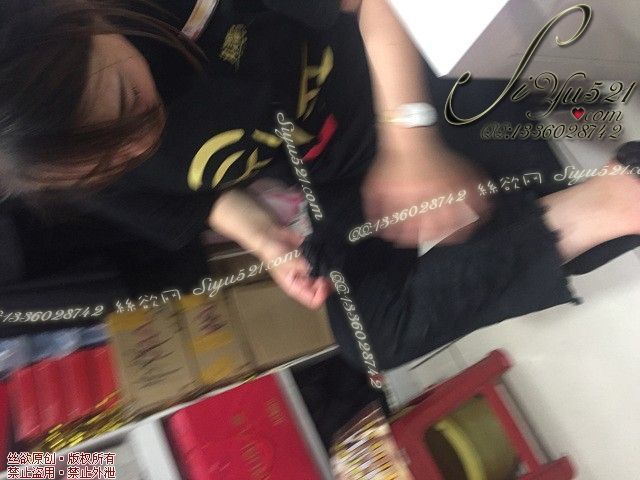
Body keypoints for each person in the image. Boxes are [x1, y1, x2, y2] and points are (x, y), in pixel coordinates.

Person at [1, 0, 640, 371]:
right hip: (340, 175)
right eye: (107, 163)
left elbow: (379, 6)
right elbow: (202, 199)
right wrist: (269, 244)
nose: (137, 145)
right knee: (372, 335)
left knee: (537, 139)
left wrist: (410, 142)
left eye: (125, 100)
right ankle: (610, 197)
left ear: (83, 17)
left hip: (412, 83)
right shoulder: (76, 162)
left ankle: (600, 188)